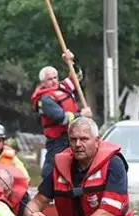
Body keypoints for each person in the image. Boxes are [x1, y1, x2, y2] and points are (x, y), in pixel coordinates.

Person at [30, 50, 93, 182]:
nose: (54, 81)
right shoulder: (45, 100)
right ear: (43, 83)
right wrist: (81, 115)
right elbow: (61, 118)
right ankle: (47, 190)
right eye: (50, 79)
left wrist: (70, 61)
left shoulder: (63, 87)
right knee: (51, 169)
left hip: (73, 136)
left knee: (78, 166)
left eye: (55, 78)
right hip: (58, 140)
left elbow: (77, 76)